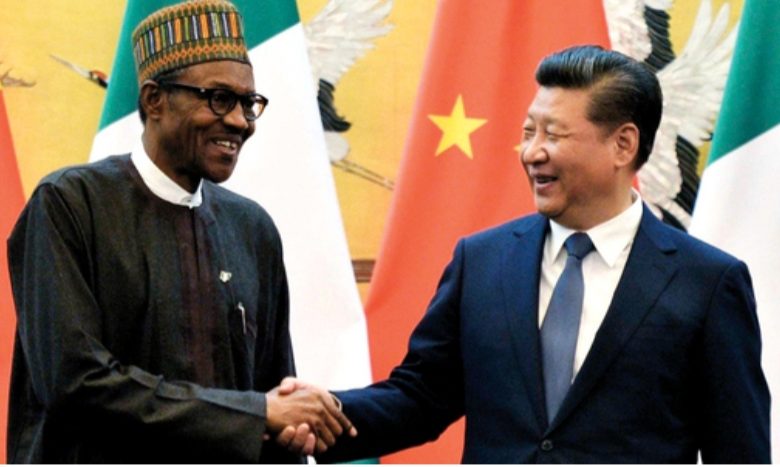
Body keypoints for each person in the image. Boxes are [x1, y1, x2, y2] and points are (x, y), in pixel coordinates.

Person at [278, 45, 772, 463]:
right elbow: (421, 397)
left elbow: (739, 451)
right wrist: (321, 413)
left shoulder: (707, 282)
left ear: (623, 145)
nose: (532, 152)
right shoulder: (482, 261)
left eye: (552, 134)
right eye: (528, 132)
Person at [5, 0, 352, 463]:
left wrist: (288, 426)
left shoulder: (252, 229)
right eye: (218, 98)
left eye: (249, 104)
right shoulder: (69, 205)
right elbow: (74, 384)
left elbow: (274, 399)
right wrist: (255, 414)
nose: (240, 121)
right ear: (154, 100)